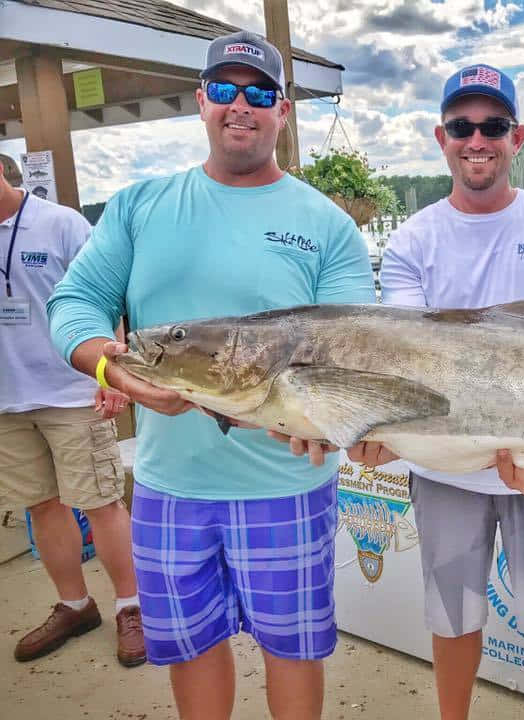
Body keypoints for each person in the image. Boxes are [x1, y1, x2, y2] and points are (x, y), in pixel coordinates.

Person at [46, 31, 375, 719]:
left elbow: (356, 350)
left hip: (287, 484)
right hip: (171, 489)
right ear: (201, 101)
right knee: (191, 649)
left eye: (259, 94)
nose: (241, 106)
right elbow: (74, 305)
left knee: (293, 650)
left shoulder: (328, 224)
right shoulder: (140, 207)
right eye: (224, 90)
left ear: (283, 111)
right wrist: (115, 369)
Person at [347, 63, 524, 720]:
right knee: (452, 619)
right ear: (441, 136)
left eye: (494, 126)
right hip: (445, 466)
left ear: (517, 138)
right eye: (464, 126)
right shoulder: (411, 241)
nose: (478, 139)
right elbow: (407, 361)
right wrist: (380, 436)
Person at [0, 153, 146, 667]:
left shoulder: (59, 223)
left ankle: (132, 606)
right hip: (6, 399)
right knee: (40, 504)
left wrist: (113, 376)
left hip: (72, 389)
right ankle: (74, 604)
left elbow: (107, 299)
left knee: (101, 501)